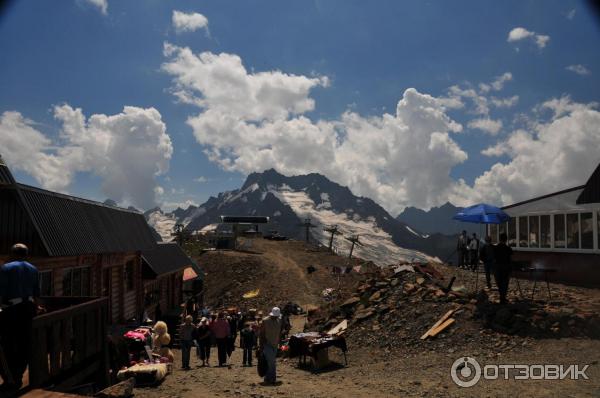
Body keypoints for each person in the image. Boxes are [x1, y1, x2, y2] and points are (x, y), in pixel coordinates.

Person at [0, 243, 40, 393]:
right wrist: (36, 307)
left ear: (12, 253)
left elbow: (1, 291)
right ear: (26, 254)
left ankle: (10, 379)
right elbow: (37, 293)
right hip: (28, 309)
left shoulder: (6, 268)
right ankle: (18, 375)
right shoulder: (33, 269)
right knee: (24, 343)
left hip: (12, 309)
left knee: (8, 343)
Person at [259, 307, 282, 385]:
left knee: (271, 362)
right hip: (267, 344)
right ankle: (272, 378)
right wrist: (261, 346)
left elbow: (279, 334)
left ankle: (268, 378)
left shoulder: (278, 321)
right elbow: (261, 334)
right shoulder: (265, 321)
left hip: (275, 344)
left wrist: (279, 344)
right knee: (271, 362)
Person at [493, 233, 513, 304]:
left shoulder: (495, 248)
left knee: (499, 282)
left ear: (499, 239)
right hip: (505, 267)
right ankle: (503, 297)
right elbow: (510, 259)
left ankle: (502, 297)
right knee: (505, 283)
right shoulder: (508, 248)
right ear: (506, 239)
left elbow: (493, 258)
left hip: (497, 267)